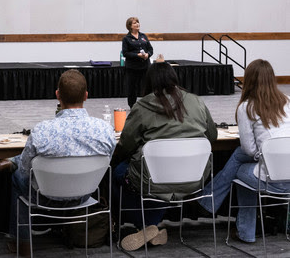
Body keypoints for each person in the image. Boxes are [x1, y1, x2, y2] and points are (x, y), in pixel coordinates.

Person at [4, 69, 117, 255]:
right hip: (84, 194)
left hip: (44, 196)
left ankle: (22, 243)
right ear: (86, 96)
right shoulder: (105, 130)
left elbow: (25, 171)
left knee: (17, 175)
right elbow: (107, 163)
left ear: (57, 95)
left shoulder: (41, 131)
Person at [113, 62, 217, 251]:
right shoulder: (197, 101)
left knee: (118, 172)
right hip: (195, 179)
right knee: (158, 177)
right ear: (175, 79)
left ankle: (144, 225)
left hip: (153, 180)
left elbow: (126, 145)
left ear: (149, 82)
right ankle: (151, 227)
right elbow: (212, 137)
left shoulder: (142, 106)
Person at [198, 59, 290, 243]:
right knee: (239, 155)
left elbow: (249, 149)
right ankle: (209, 199)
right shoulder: (287, 101)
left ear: (248, 80)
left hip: (271, 179)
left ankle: (242, 229)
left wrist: (262, 155)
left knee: (239, 168)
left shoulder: (246, 107)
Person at [122, 17, 153, 108]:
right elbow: (125, 53)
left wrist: (148, 54)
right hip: (133, 67)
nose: (137, 24)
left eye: (138, 22)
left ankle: (148, 105)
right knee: (132, 88)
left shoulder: (143, 36)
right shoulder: (126, 39)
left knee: (147, 86)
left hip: (145, 66)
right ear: (130, 26)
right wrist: (137, 55)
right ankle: (132, 106)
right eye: (135, 23)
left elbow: (150, 49)